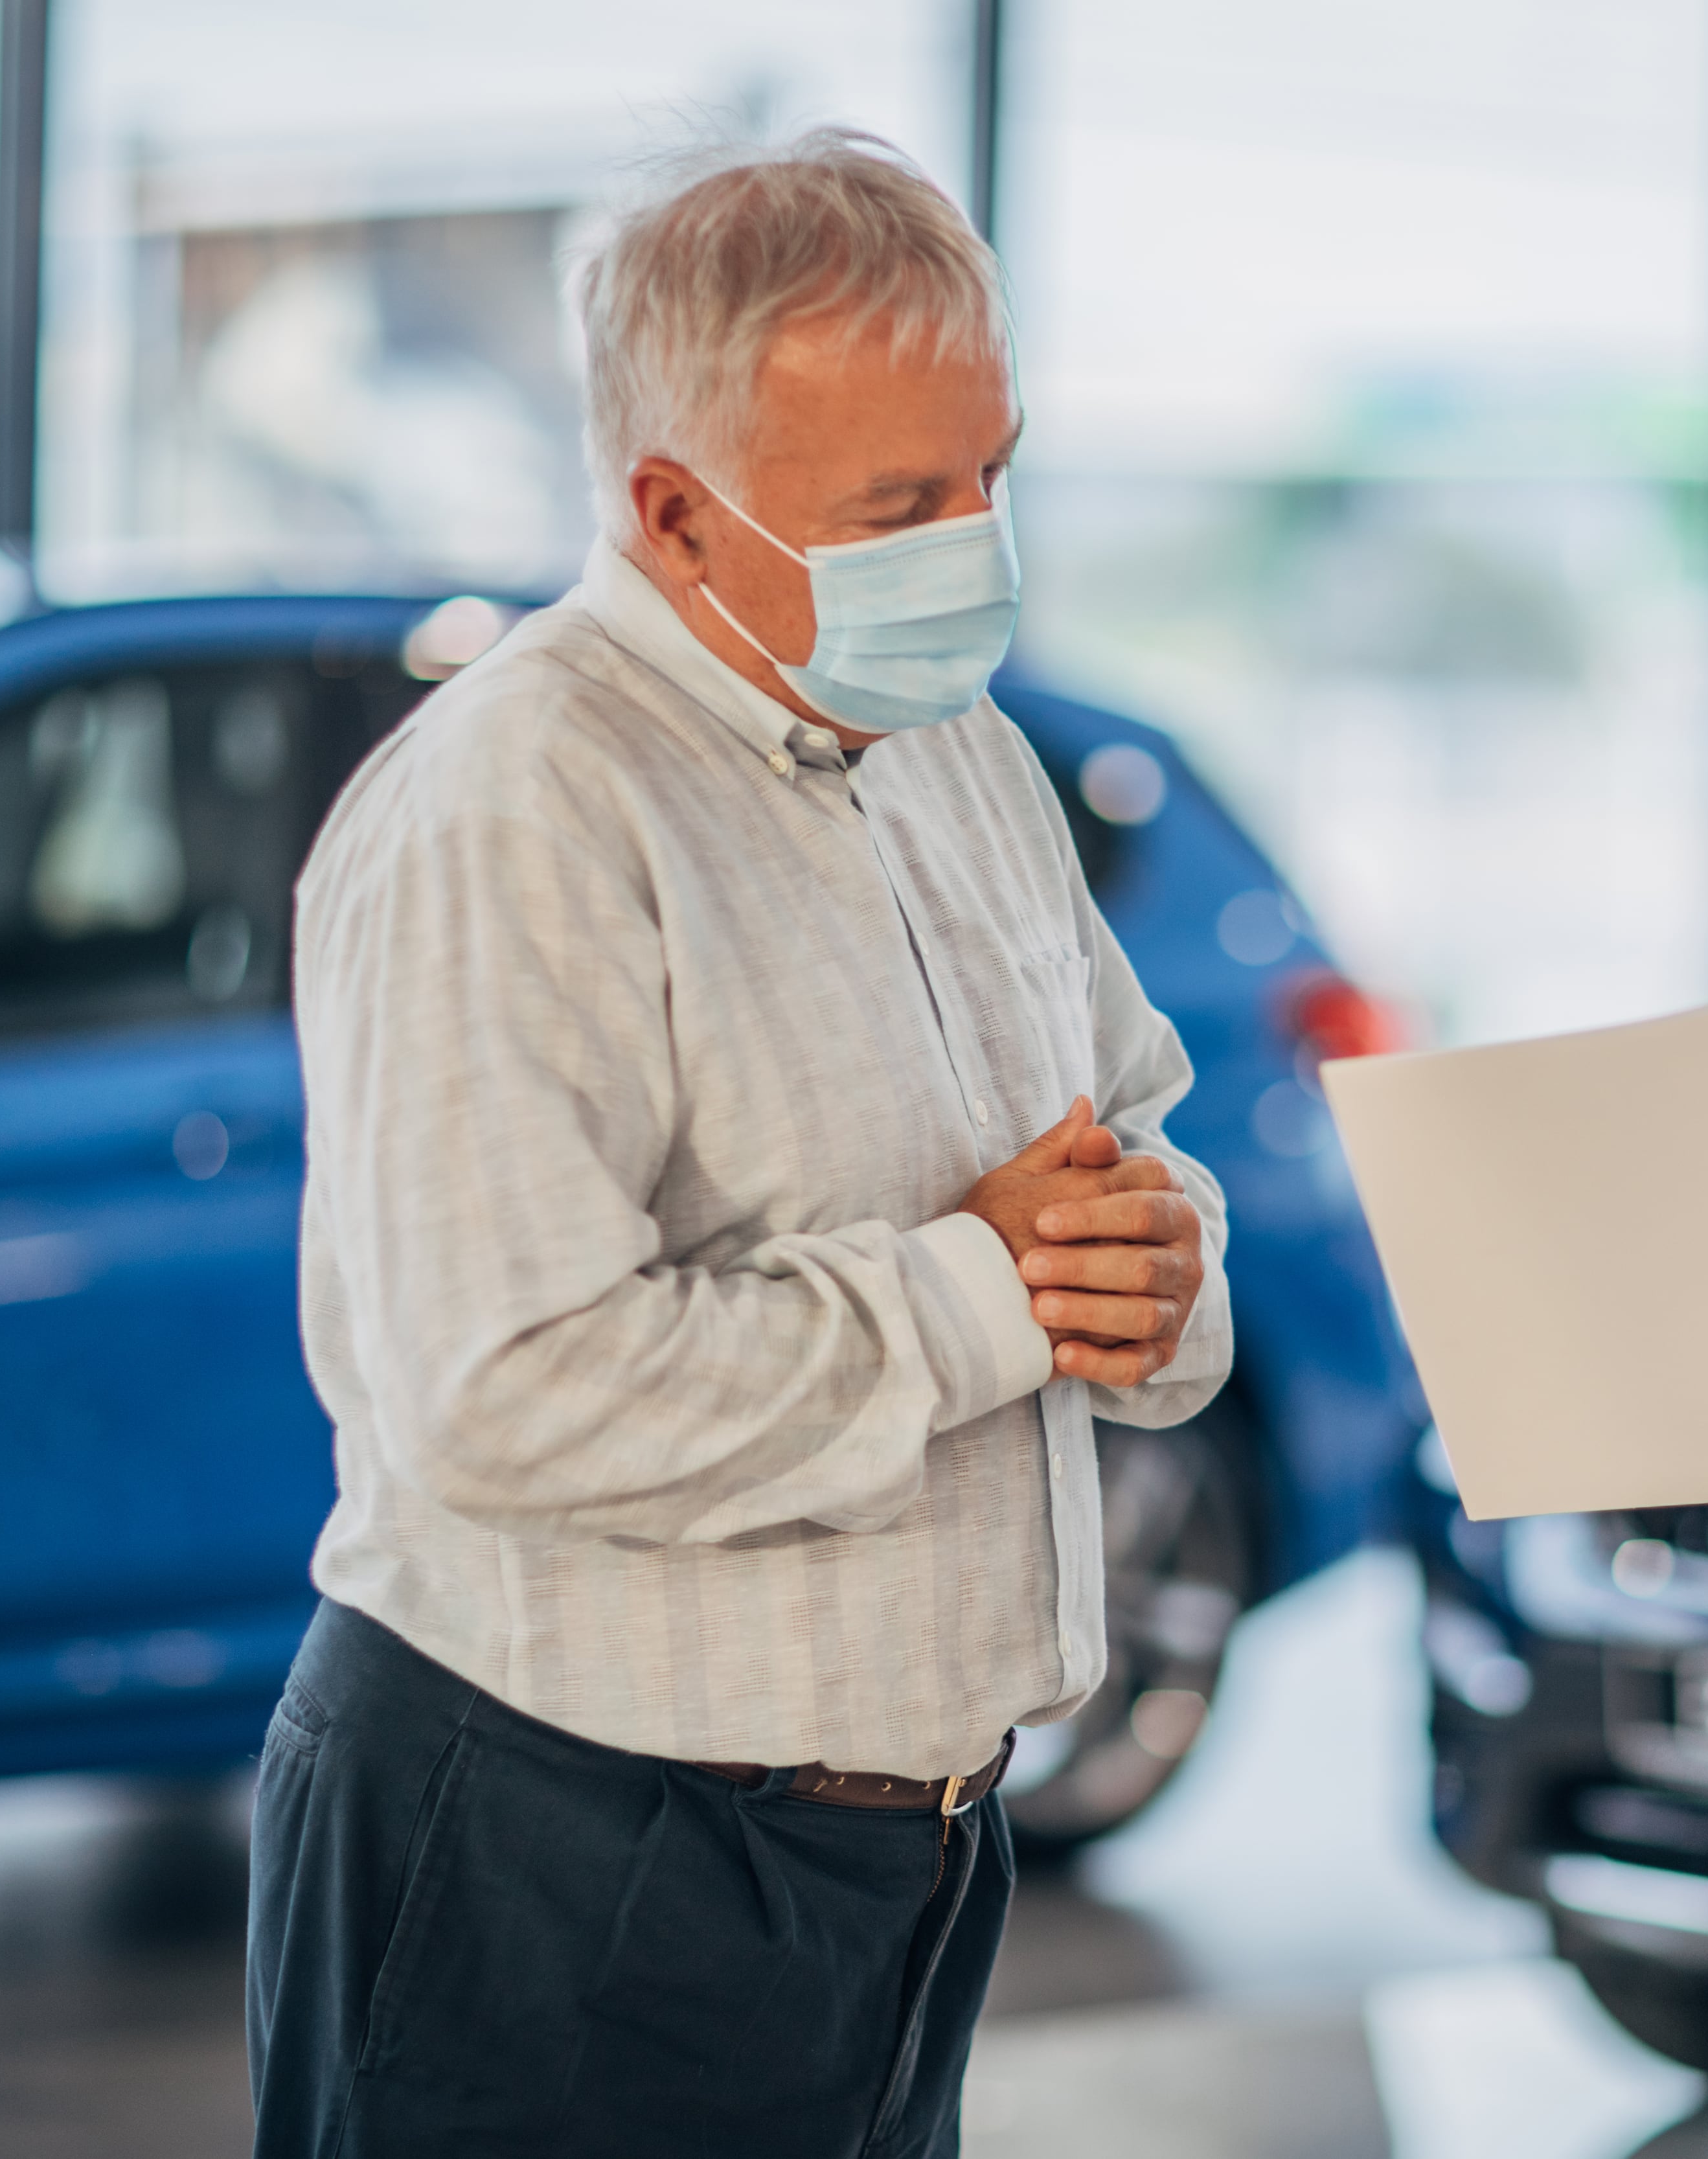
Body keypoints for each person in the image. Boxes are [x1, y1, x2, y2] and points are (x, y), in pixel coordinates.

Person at [244, 132, 1233, 2157]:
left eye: (991, 474)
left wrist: (1156, 1272)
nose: (971, 541)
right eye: (899, 506)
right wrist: (984, 1290)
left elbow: (1128, 1128)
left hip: (905, 1867)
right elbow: (509, 1390)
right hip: (557, 1853)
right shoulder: (515, 809)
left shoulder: (958, 754)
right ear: (677, 514)